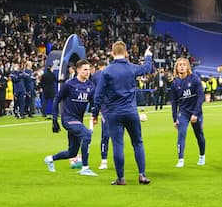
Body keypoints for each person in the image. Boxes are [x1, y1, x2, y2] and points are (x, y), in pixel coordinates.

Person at [91, 41, 155, 185]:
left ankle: (121, 178)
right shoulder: (131, 68)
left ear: (112, 53)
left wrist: (95, 114)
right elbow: (147, 68)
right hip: (131, 112)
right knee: (138, 142)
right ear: (126, 53)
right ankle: (142, 175)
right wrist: (148, 55)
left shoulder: (106, 71)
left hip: (114, 113)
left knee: (118, 145)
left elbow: (98, 95)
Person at [44, 60, 98, 176]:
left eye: (88, 69)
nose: (87, 72)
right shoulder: (69, 84)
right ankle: (85, 168)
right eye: (85, 69)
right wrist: (54, 119)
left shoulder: (91, 86)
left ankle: (50, 159)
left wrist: (95, 115)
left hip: (78, 120)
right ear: (78, 70)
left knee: (72, 152)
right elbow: (57, 99)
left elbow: (93, 104)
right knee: (87, 135)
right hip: (68, 119)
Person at [170, 57, 206, 167]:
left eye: (183, 64)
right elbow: (174, 102)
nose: (181, 66)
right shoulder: (174, 83)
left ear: (187, 67)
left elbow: (200, 97)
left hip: (196, 111)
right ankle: (180, 159)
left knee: (199, 134)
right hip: (184, 112)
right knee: (181, 134)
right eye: (179, 64)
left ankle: (202, 155)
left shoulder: (194, 79)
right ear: (176, 67)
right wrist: (175, 118)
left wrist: (195, 113)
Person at [91, 60, 111, 170]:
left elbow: (95, 94)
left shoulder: (95, 76)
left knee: (105, 135)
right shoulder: (111, 73)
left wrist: (95, 112)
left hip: (104, 108)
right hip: (116, 107)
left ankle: (104, 160)